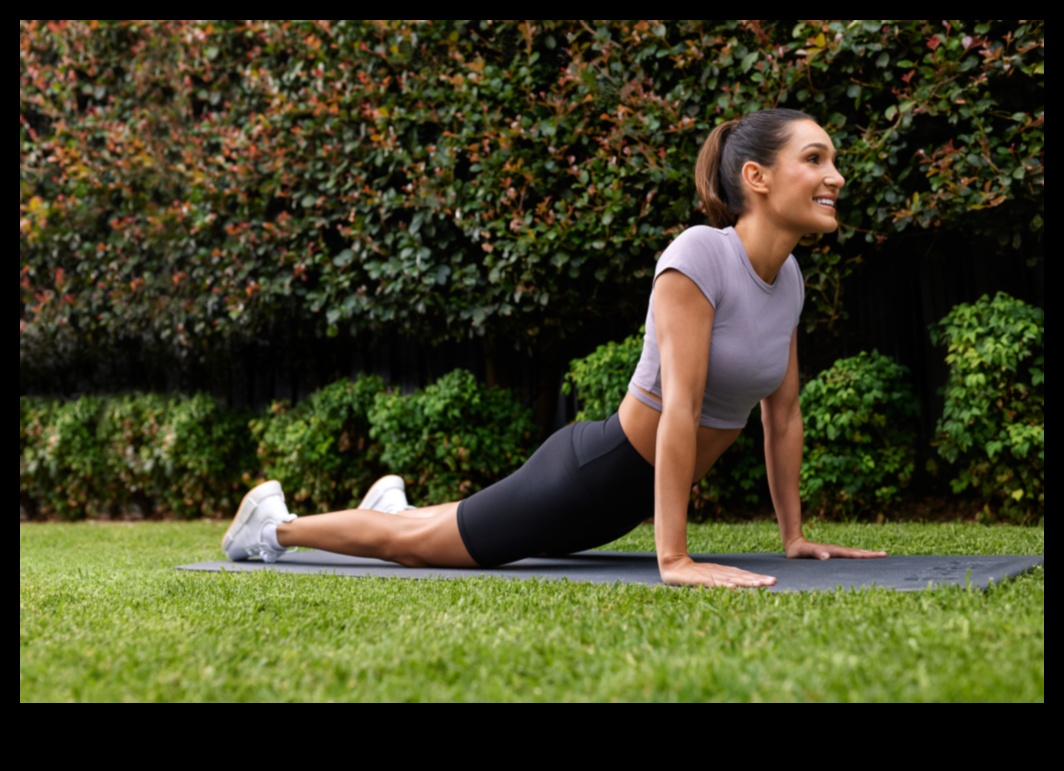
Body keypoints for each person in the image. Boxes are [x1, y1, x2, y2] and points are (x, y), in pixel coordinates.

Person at [222, 108, 887, 588]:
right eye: (815, 158)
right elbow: (681, 406)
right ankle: (271, 527)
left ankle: (387, 509)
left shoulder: (789, 279)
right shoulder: (699, 256)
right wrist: (675, 557)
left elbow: (784, 412)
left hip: (619, 503)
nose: (836, 176)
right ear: (757, 176)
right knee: (419, 548)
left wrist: (793, 536)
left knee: (436, 529)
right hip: (590, 473)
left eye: (832, 159)